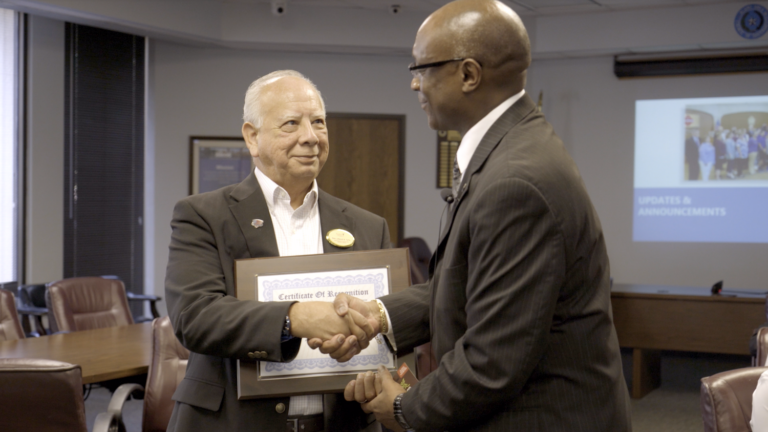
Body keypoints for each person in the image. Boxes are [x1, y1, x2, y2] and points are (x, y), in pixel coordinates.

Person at [313, 1, 631, 431]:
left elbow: (492, 360)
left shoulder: (515, 182)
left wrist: (405, 407)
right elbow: (467, 284)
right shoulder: (510, 149)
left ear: (468, 74)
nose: (414, 84)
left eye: (420, 68)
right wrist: (378, 316)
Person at [164, 70, 390, 432]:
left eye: (318, 122)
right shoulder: (203, 215)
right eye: (291, 124)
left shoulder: (368, 226)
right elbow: (195, 317)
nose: (311, 137)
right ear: (252, 137)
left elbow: (388, 324)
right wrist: (295, 318)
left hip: (341, 422)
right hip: (232, 422)